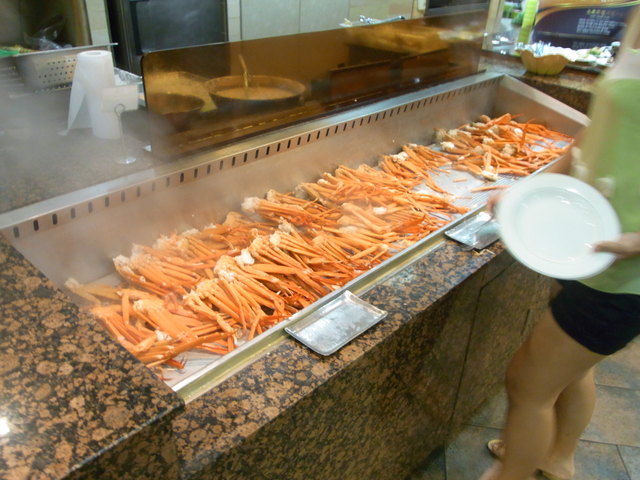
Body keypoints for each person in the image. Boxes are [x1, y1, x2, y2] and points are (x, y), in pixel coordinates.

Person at [478, 7, 640, 480]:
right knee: (573, 367)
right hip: (583, 236)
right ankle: (556, 458)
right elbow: (598, 131)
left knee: (527, 385)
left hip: (623, 270)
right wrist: (530, 188)